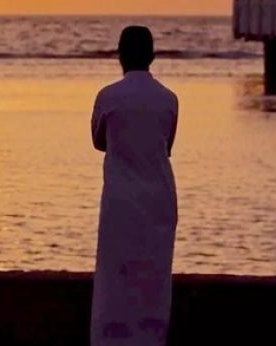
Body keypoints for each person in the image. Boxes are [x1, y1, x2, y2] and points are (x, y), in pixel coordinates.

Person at [90, 26, 179, 346]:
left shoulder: (108, 96)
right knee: (154, 276)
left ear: (120, 55)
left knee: (115, 276)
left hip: (121, 198)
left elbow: (98, 141)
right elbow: (166, 144)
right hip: (159, 197)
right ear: (152, 56)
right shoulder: (169, 99)